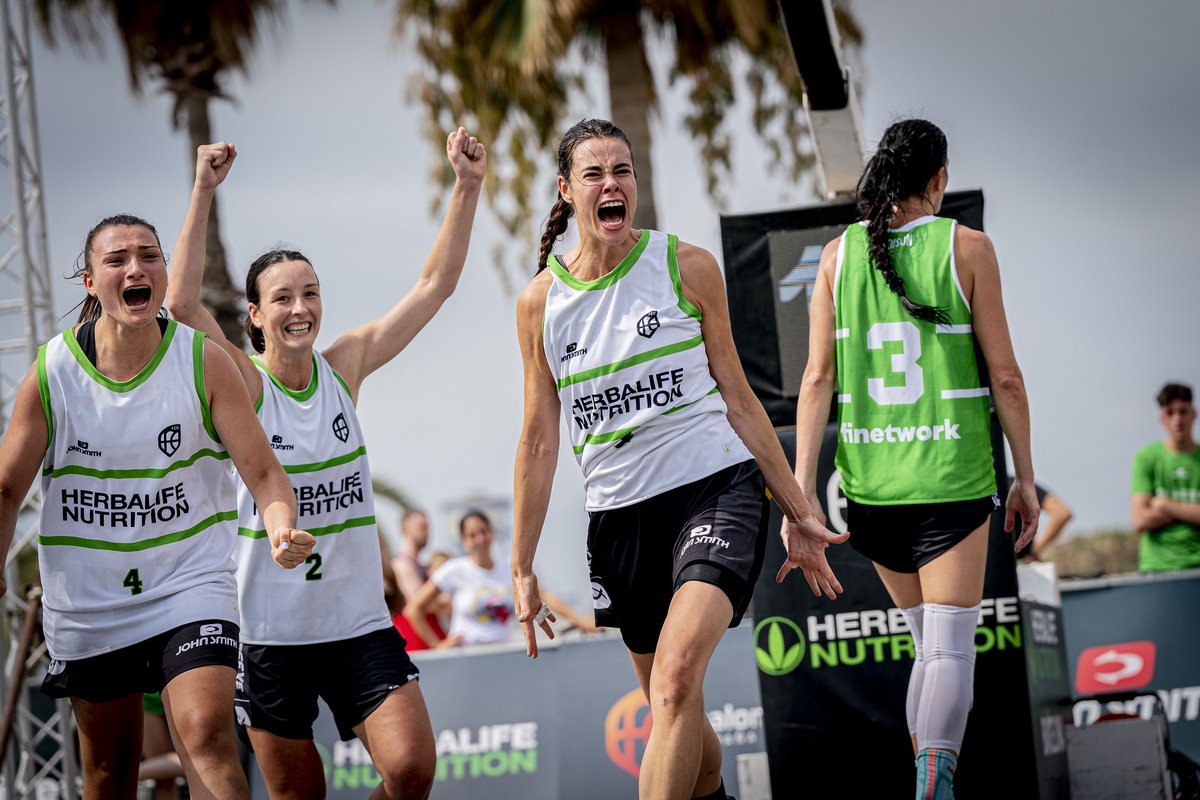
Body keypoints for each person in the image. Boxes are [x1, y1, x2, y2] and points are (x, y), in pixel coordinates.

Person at [512, 118, 844, 800]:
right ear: (566, 192)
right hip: (618, 522)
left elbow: (742, 399)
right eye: (595, 174)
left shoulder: (686, 266)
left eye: (623, 171)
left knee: (673, 681)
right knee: (685, 729)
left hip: (713, 490)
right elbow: (539, 442)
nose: (612, 184)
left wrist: (799, 510)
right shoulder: (540, 303)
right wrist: (521, 566)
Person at [165, 128, 485, 800]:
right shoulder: (244, 386)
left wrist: (468, 185)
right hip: (270, 639)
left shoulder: (345, 367)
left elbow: (435, 284)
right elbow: (184, 306)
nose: (300, 308)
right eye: (282, 298)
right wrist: (202, 189)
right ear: (254, 316)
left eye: (309, 292)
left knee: (411, 770)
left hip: (359, 627)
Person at [0, 212, 314, 799]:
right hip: (91, 599)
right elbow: (6, 489)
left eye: (149, 255)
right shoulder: (54, 372)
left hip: (188, 584)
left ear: (164, 273)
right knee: (110, 772)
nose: (136, 268)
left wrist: (280, 528)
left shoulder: (203, 360)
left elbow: (265, 471)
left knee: (204, 737)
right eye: (116, 260)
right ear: (91, 282)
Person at [791, 118, 1038, 799]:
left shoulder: (837, 257)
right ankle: (934, 784)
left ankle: (929, 775)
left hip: (871, 488)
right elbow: (1007, 379)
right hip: (951, 478)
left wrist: (802, 493)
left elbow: (816, 380)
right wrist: (1026, 478)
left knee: (928, 648)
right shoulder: (969, 248)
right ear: (940, 180)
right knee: (950, 650)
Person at [405, 510, 594, 647]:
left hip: (501, 652)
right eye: (472, 535)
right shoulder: (454, 570)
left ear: (492, 533)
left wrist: (578, 620)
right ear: (464, 541)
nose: (479, 539)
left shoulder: (508, 568)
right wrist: (438, 646)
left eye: (483, 532)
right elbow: (414, 609)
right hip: (465, 656)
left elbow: (542, 596)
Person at [1131, 382, 1200, 572]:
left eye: (1183, 411)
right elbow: (1141, 519)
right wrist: (1190, 512)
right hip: (1157, 567)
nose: (1178, 419)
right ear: (1162, 418)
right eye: (1170, 412)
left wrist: (1165, 505)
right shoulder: (1147, 458)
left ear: (1194, 414)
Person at [1007, 478, 1072, 561]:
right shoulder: (1015, 484)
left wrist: (1033, 551)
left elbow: (1061, 514)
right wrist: (1034, 551)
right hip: (1021, 564)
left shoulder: (1011, 485)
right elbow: (1061, 513)